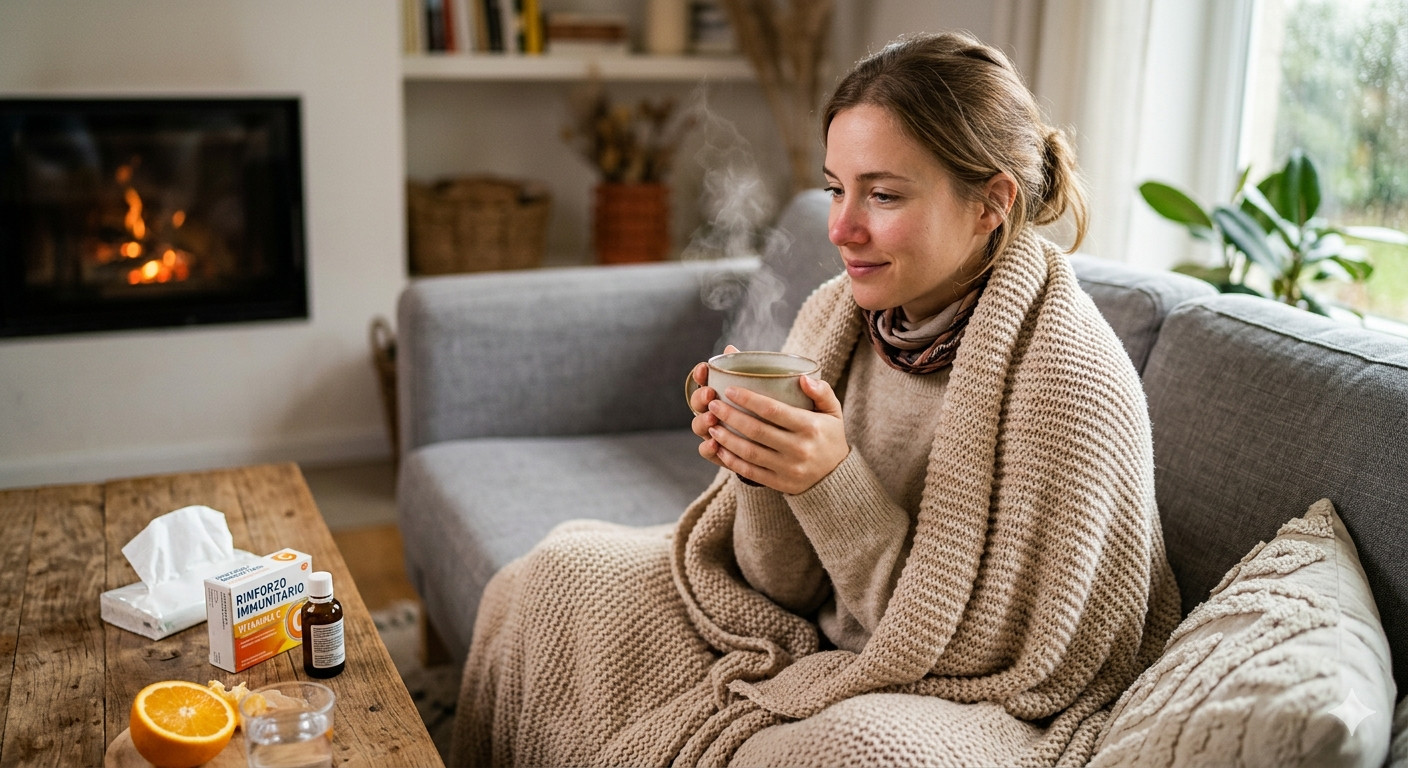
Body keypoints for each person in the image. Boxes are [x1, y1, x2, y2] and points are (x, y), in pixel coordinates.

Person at [452, 32, 1180, 768]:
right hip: (833, 632)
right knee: (553, 573)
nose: (841, 229)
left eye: (883, 195)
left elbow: (991, 657)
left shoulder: (1066, 384)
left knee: (854, 752)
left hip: (973, 689)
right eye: (836, 189)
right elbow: (778, 588)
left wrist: (832, 483)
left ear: (992, 202)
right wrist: (760, 468)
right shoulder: (838, 315)